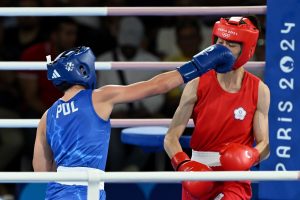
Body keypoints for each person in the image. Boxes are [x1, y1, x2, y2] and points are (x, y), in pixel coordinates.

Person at [32, 43, 235, 200]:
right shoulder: (100, 96)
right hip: (87, 189)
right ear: (84, 70)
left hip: (56, 192)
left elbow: (40, 169)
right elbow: (156, 86)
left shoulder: (47, 116)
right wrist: (202, 63)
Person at [164, 16, 270, 200]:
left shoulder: (259, 89)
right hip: (197, 172)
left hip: (235, 178)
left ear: (246, 50)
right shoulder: (196, 84)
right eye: (220, 43)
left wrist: (251, 155)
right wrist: (183, 165)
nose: (222, 50)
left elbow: (265, 145)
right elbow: (171, 137)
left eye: (231, 45)